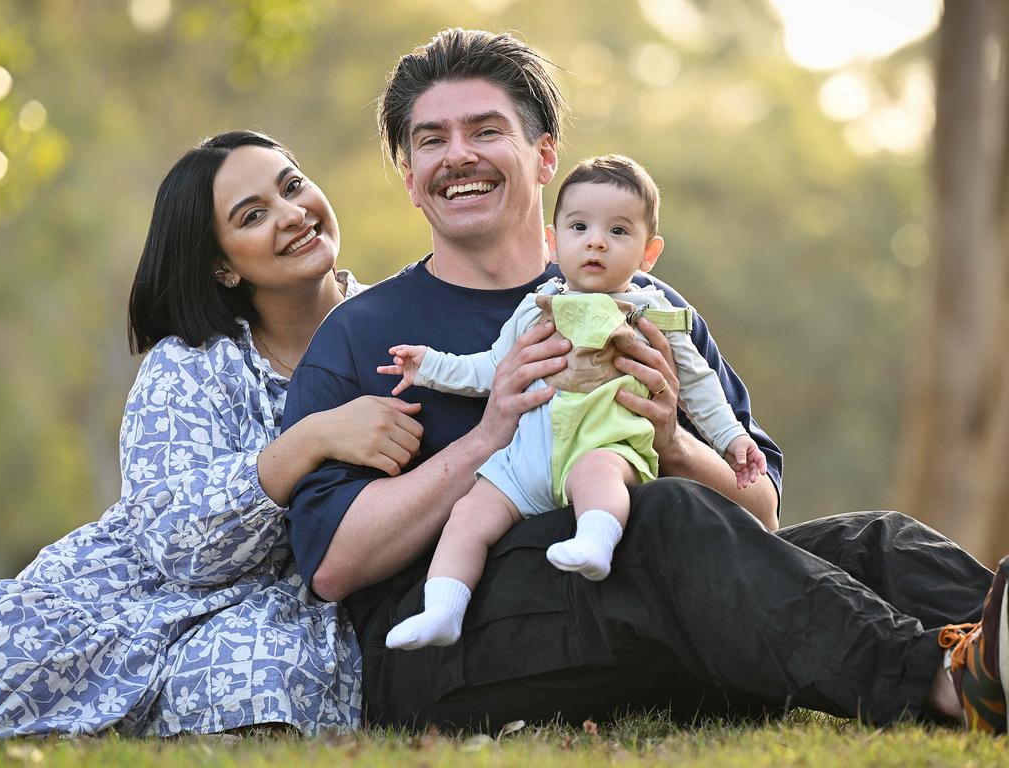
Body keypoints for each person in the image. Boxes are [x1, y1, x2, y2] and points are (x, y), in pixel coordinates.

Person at [282, 28, 1007, 735]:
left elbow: (760, 518)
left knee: (879, 542)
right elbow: (335, 568)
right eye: (432, 140)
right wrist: (489, 431)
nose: (458, 155)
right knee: (666, 518)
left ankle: (1001, 647)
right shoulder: (363, 335)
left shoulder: (647, 307)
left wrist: (675, 443)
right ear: (410, 178)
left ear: (543, 157)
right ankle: (942, 683)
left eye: (484, 130)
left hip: (628, 603)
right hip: (449, 649)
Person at [0, 130, 423, 738]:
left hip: (299, 604)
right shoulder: (188, 365)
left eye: (292, 186)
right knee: (0, 647)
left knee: (253, 674)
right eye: (254, 215)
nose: (294, 214)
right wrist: (309, 441)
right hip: (142, 588)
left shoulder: (404, 334)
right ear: (222, 265)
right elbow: (175, 543)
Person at [381, 154, 767, 651]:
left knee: (598, 475)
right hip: (528, 462)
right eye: (579, 226)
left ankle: (595, 539)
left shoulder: (652, 314)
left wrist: (734, 440)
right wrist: (429, 366)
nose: (597, 241)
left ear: (649, 253)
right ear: (552, 240)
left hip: (603, 444)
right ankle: (442, 610)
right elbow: (490, 370)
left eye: (619, 231)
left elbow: (698, 386)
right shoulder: (536, 308)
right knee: (469, 515)